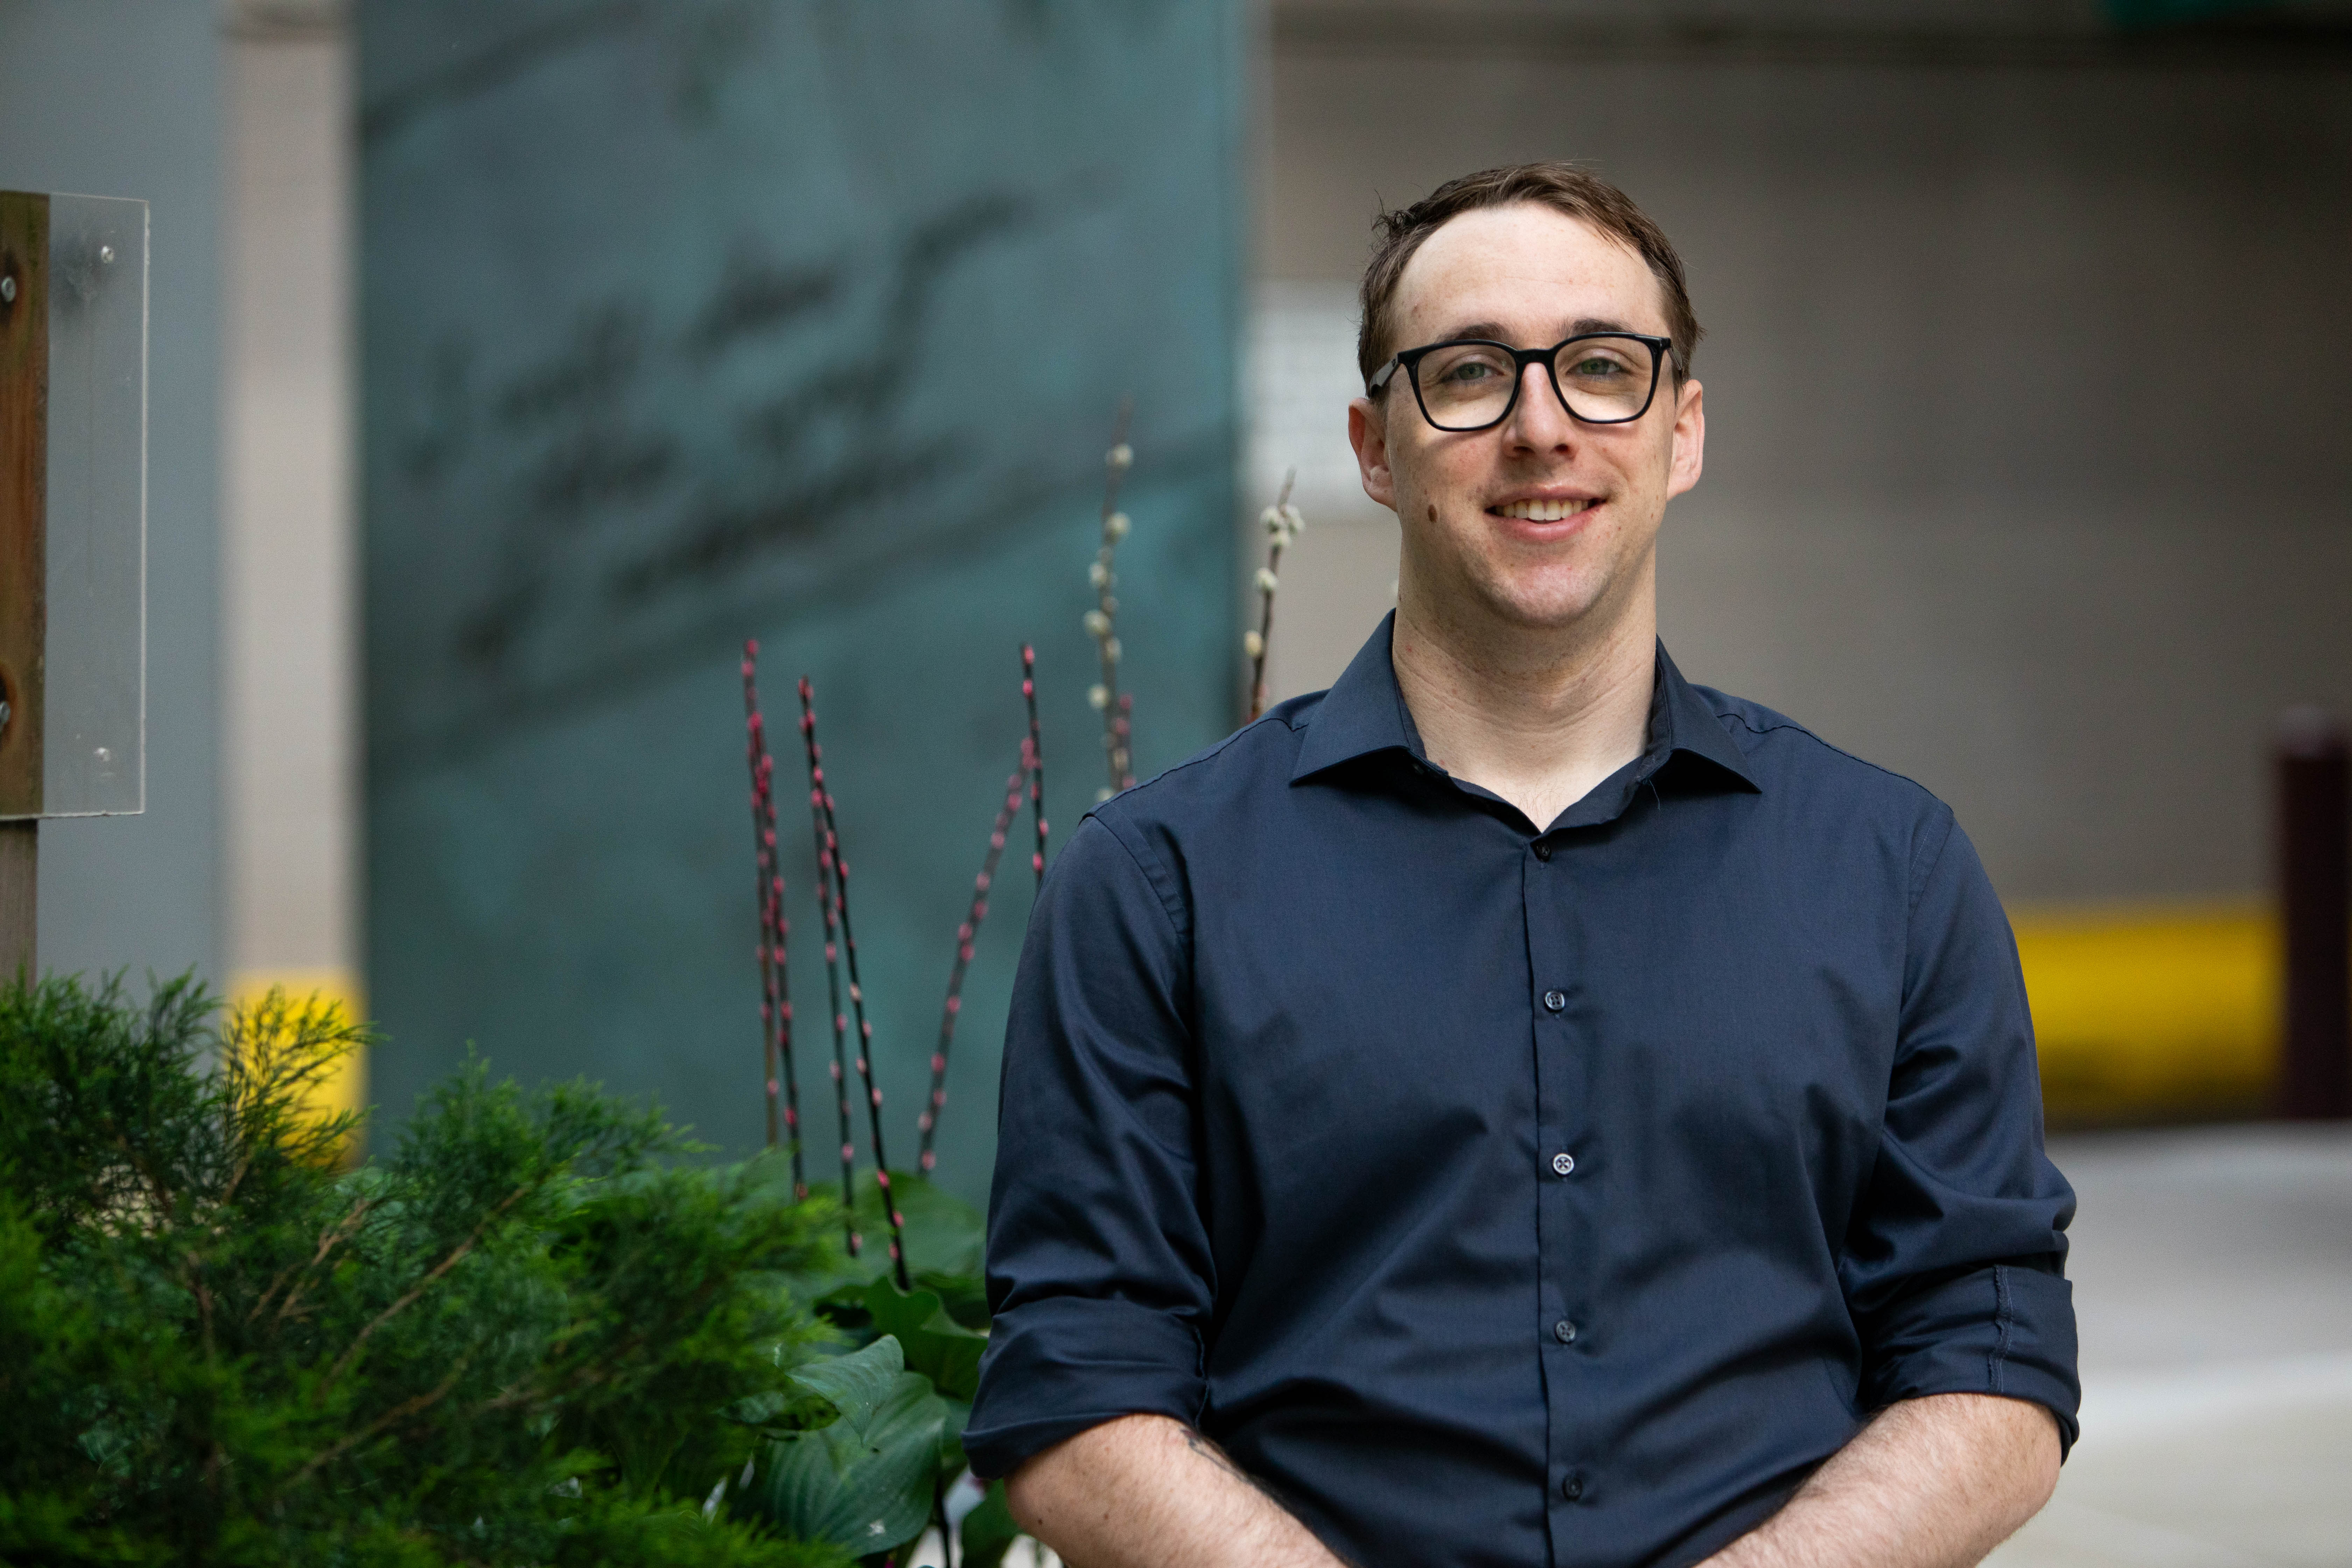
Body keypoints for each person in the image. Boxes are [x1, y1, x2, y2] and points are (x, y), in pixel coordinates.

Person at [961, 162, 2078, 1568]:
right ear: (1376, 445)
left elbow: (1991, 1358)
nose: (1542, 428)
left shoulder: (1891, 865)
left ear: (1682, 433)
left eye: (1602, 368)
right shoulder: (1154, 884)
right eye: (1473, 373)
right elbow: (1075, 1380)